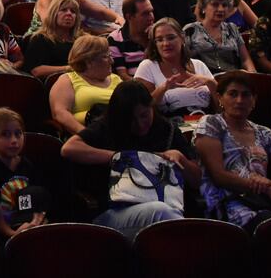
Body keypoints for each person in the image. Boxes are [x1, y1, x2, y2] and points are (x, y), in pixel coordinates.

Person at [60, 80, 199, 239]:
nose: (140, 124)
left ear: (151, 107)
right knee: (161, 212)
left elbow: (197, 181)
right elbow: (68, 148)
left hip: (170, 206)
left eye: (144, 115)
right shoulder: (107, 127)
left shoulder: (167, 130)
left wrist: (181, 160)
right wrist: (119, 157)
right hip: (114, 212)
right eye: (131, 119)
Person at [193, 71, 271, 229]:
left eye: (246, 95)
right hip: (227, 205)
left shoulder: (264, 133)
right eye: (233, 94)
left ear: (254, 101)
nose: (239, 100)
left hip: (263, 204)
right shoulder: (212, 124)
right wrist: (269, 190)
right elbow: (218, 176)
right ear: (220, 98)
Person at [0, 108, 49, 239]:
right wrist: (12, 234)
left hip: (25, 220)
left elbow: (35, 200)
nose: (14, 140)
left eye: (18, 134)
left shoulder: (26, 164)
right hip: (3, 229)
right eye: (5, 135)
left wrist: (36, 223)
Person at [135, 18, 216, 121]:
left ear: (182, 38)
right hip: (168, 129)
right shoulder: (147, 67)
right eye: (159, 40)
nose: (166, 44)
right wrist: (163, 88)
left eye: (171, 38)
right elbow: (142, 110)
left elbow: (221, 106)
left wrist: (209, 82)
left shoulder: (199, 65)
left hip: (205, 126)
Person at [50, 35, 122, 137]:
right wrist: (88, 135)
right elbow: (60, 113)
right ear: (88, 61)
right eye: (106, 57)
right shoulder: (67, 79)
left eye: (110, 55)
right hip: (85, 136)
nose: (112, 61)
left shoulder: (116, 79)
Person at [183, 0, 256, 75]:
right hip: (204, 80)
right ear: (203, 8)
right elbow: (184, 61)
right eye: (215, 5)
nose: (221, 9)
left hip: (232, 80)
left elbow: (246, 60)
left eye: (224, 5)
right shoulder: (190, 30)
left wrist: (252, 74)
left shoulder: (232, 28)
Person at [23, 0, 83, 79]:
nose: (69, 13)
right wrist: (68, 69)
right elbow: (36, 71)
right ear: (53, 14)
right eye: (64, 10)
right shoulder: (40, 39)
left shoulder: (81, 40)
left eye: (73, 11)